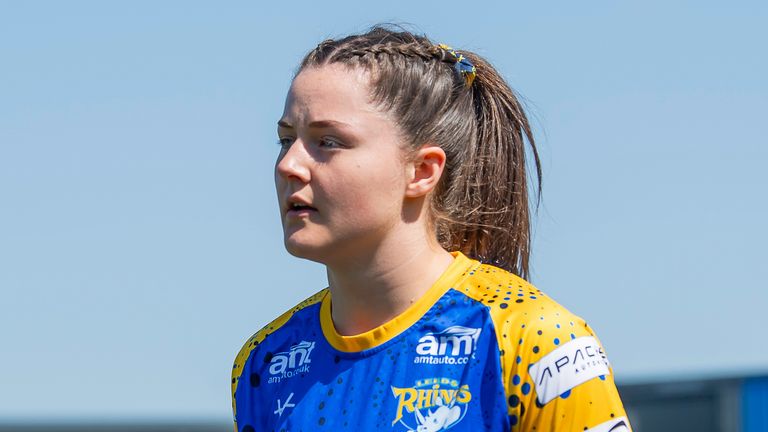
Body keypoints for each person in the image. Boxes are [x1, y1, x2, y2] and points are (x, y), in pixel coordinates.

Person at [231, 26, 632, 432]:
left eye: (328, 141)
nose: (289, 165)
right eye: (285, 140)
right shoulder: (265, 362)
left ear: (421, 171)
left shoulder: (534, 340)